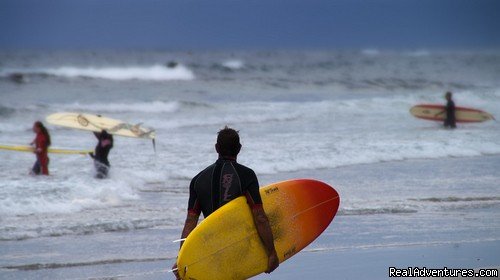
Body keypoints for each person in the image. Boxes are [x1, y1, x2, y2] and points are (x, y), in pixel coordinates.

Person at [172, 126, 279, 279]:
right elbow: (260, 217)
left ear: (216, 148)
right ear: (239, 149)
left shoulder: (198, 180)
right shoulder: (246, 175)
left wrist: (181, 260)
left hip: (209, 249)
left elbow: (190, 222)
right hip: (237, 248)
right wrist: (271, 252)